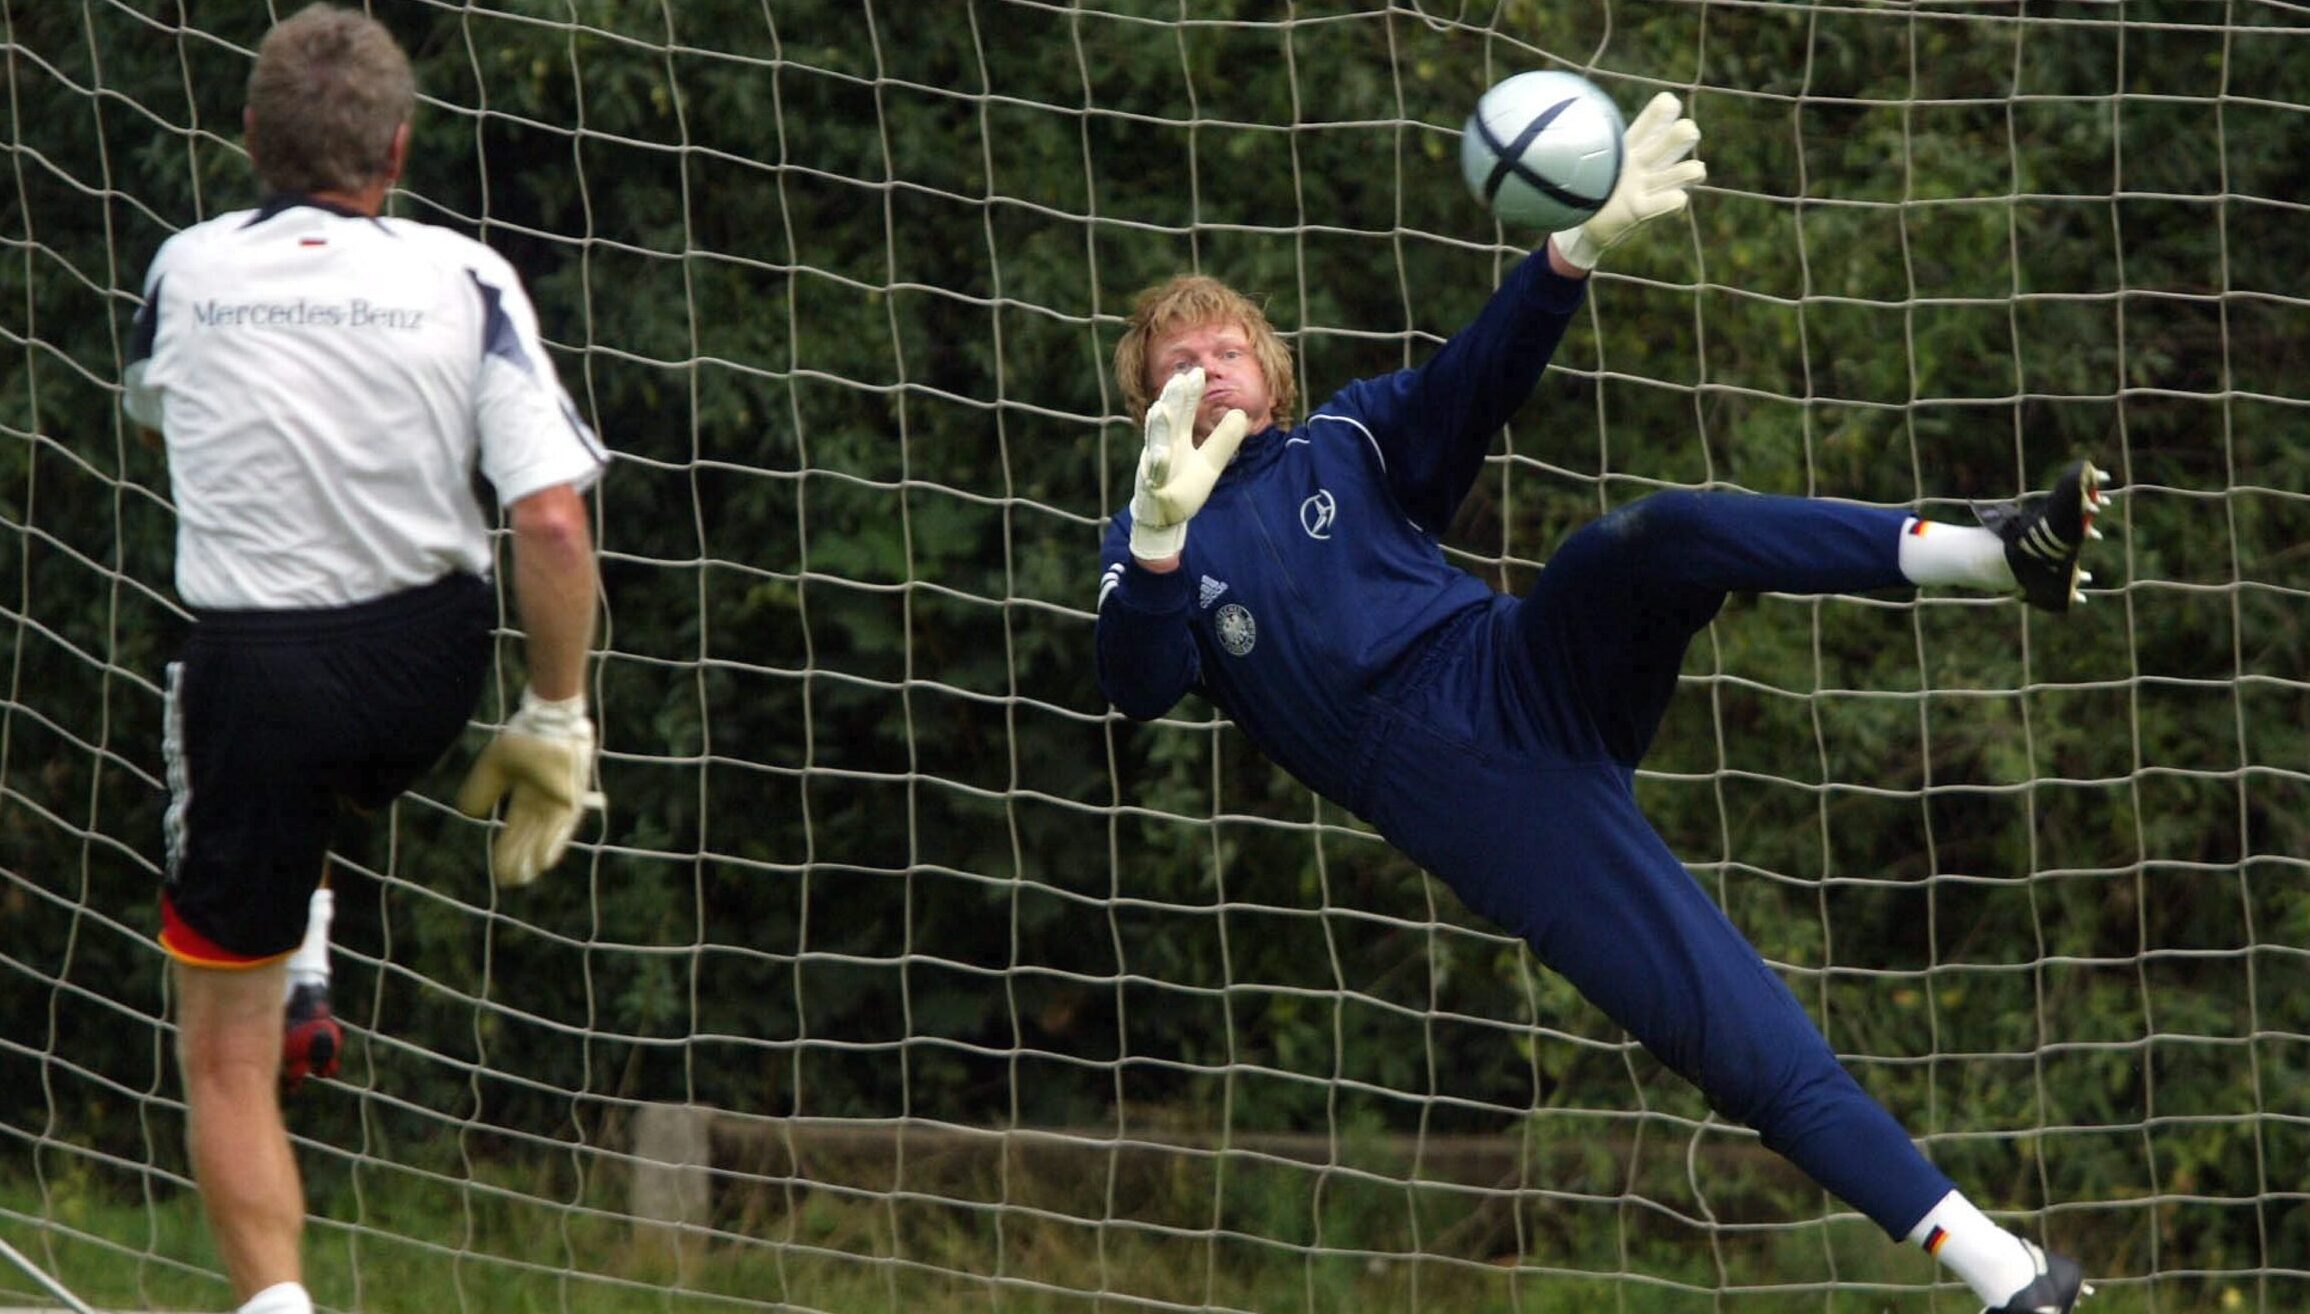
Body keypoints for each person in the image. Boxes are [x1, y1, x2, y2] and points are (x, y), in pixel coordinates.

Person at [1095, 92, 2101, 1314]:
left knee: (1657, 536)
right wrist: (1157, 533)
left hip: (1517, 661)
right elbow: (1138, 686)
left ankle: (1998, 553)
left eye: (1227, 351)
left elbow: (1482, 375)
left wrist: (1572, 249)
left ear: (1273, 370)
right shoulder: (1149, 543)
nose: (1207, 373)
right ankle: (2008, 1275)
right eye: (1178, 366)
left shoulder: (1349, 438)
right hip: (1464, 785)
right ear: (1145, 401)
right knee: (1722, 1025)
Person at [121, 7, 609, 1312]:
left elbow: (165, 421)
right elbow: (551, 518)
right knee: (308, 769)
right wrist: (556, 712)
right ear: (399, 144)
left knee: (223, 1055)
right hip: (426, 667)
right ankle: (309, 946)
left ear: (246, 140)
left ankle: (278, 1293)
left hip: (256, 678)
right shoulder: (469, 274)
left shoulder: (184, 266)